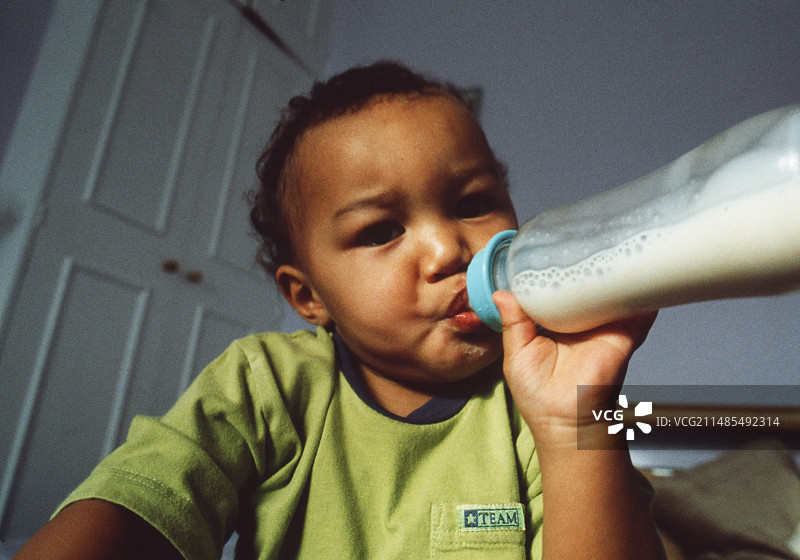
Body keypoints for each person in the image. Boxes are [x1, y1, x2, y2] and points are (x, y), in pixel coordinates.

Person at [15, 61, 665, 559]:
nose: (449, 248)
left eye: (472, 202)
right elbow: (129, 513)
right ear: (309, 297)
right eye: (382, 230)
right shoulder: (266, 382)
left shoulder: (546, 396)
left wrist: (575, 419)